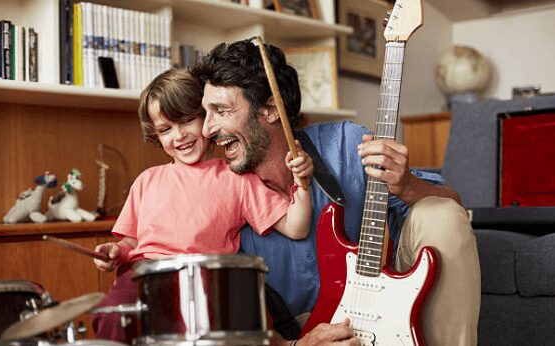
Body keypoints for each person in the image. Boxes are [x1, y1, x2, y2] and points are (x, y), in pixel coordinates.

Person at [191, 39, 481, 346]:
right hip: (290, 336)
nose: (207, 129)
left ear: (270, 109)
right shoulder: (214, 191)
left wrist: (407, 184)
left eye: (220, 110)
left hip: (382, 310)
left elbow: (452, 206)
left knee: (441, 214)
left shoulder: (346, 143)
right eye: (204, 113)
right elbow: (219, 324)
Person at [91, 68, 314, 342]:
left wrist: (301, 184)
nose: (179, 135)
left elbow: (296, 227)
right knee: (111, 314)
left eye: (187, 120)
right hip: (145, 274)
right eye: (165, 129)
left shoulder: (237, 177)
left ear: (206, 118)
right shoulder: (147, 181)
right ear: (155, 135)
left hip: (206, 278)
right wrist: (115, 252)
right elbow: (129, 244)